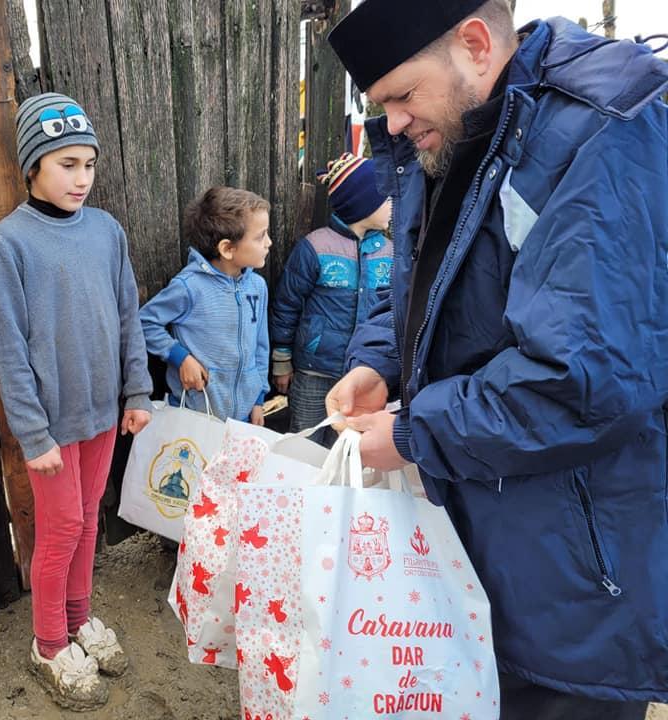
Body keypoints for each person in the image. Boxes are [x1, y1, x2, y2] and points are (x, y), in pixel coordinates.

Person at [325, 1, 668, 717]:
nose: (389, 123)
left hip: (574, 579)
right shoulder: (447, 130)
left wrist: (417, 433)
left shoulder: (605, 130)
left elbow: (581, 380)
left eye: (399, 96)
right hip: (482, 528)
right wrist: (377, 362)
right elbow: (428, 284)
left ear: (475, 44)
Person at [0, 93, 153, 710]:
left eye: (88, 164)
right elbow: (8, 349)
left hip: (104, 415)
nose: (81, 178)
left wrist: (138, 390)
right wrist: (33, 434)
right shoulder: (8, 244)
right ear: (32, 167)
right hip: (51, 429)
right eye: (65, 164)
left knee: (88, 524)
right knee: (59, 532)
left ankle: (79, 620)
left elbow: (129, 315)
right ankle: (49, 643)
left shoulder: (106, 230)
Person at [270, 152, 392, 447]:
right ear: (362, 203)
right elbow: (287, 305)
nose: (393, 203)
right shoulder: (314, 247)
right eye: (386, 197)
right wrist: (282, 361)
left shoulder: (390, 253)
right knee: (304, 443)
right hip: (314, 371)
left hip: (362, 377)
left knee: (347, 449)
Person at [139, 187, 272, 424]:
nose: (269, 242)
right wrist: (180, 357)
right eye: (260, 236)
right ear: (227, 249)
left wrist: (259, 399)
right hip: (194, 418)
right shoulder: (189, 287)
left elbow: (260, 347)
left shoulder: (258, 287)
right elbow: (144, 322)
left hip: (242, 420)